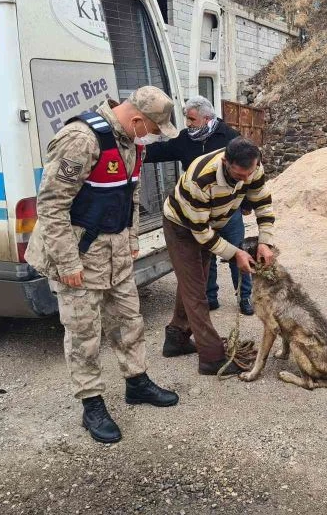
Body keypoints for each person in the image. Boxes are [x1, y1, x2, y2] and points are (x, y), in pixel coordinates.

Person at [26, 86, 180, 444]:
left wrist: (131, 239)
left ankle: (137, 382)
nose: (153, 138)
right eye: (153, 130)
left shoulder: (130, 142)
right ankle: (91, 404)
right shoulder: (81, 139)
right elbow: (51, 206)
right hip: (77, 254)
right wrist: (67, 262)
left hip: (114, 253)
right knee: (84, 335)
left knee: (129, 320)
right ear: (138, 120)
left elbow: (131, 193)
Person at [161, 136, 276, 375]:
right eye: (238, 176)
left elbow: (263, 203)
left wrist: (265, 242)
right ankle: (211, 358)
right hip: (182, 226)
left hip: (212, 220)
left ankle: (176, 338)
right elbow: (201, 233)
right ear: (225, 162)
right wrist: (236, 254)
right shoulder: (200, 177)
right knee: (196, 291)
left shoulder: (253, 166)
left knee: (194, 281)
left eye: (249, 174)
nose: (245, 180)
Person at [144, 95, 255, 316]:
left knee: (236, 252)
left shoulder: (230, 137)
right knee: (208, 252)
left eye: (192, 119)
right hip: (201, 209)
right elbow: (161, 151)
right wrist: (135, 151)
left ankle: (245, 297)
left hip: (229, 208)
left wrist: (247, 202)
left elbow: (247, 170)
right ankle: (210, 297)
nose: (188, 123)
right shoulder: (185, 139)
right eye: (187, 118)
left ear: (207, 118)